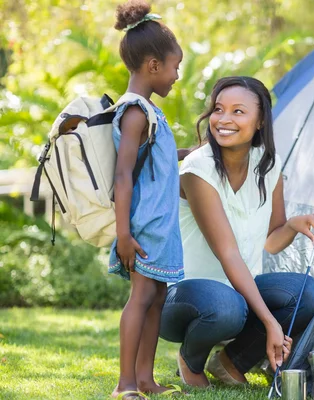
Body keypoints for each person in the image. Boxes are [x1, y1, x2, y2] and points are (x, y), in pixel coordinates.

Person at [160, 76, 314, 387]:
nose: (223, 119)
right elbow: (227, 252)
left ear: (260, 119)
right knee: (228, 305)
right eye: (218, 109)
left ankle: (231, 361)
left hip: (238, 294)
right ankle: (191, 359)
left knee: (308, 292)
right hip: (184, 298)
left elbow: (272, 239)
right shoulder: (197, 170)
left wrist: (293, 224)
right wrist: (270, 323)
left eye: (238, 111)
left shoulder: (268, 166)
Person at [109, 1, 184, 398]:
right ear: (153, 65)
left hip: (160, 223)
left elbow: (160, 161)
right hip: (143, 224)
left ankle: (145, 379)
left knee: (156, 296)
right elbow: (123, 176)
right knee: (141, 297)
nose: (176, 76)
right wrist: (124, 234)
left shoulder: (151, 112)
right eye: (175, 66)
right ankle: (126, 385)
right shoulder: (135, 111)